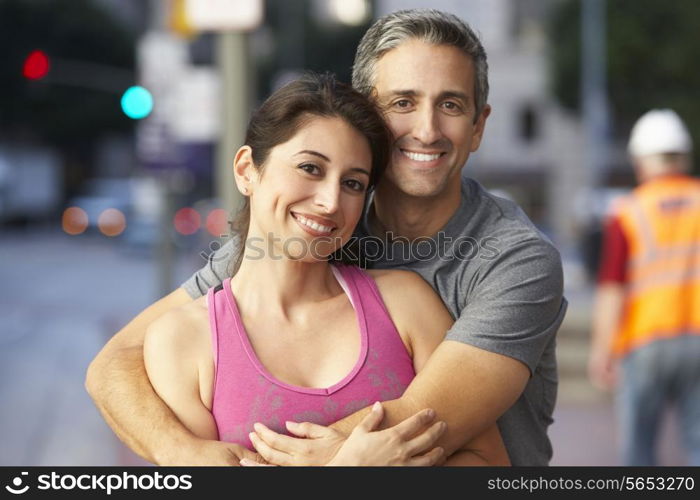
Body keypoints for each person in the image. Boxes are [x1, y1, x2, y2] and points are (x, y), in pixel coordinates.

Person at [86, 9, 566, 466]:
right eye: (403, 102)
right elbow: (116, 362)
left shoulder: (515, 260)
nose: (426, 129)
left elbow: (426, 416)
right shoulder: (306, 231)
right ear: (368, 113)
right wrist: (181, 453)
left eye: (451, 105)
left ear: (479, 126)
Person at [143, 72, 509, 466]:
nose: (331, 202)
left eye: (353, 184)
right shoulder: (183, 340)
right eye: (310, 169)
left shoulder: (405, 304)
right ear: (247, 170)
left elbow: (488, 462)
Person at [589, 109, 700, 466]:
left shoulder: (628, 212)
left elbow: (612, 290)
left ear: (640, 161)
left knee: (639, 451)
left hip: (645, 342)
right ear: (684, 155)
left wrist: (602, 350)